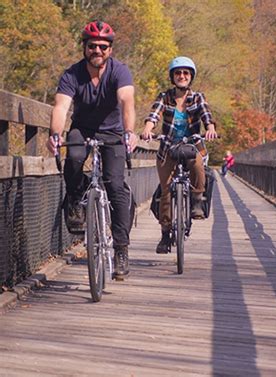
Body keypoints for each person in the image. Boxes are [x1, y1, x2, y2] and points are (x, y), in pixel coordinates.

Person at [47, 20, 137, 280]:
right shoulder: (72, 74)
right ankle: (76, 199)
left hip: (112, 132)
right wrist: (54, 134)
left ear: (110, 49)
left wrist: (129, 132)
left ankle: (121, 248)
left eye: (103, 47)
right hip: (82, 129)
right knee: (73, 158)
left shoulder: (120, 72)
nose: (97, 51)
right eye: (92, 46)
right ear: (84, 47)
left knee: (115, 184)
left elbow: (126, 102)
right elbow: (61, 107)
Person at [141, 56, 218, 254]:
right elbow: (154, 115)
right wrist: (148, 129)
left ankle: (197, 200)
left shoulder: (198, 97)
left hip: (193, 144)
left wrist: (209, 128)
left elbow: (206, 114)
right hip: (168, 147)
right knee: (166, 191)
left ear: (191, 76)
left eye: (185, 73)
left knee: (198, 164)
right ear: (172, 77)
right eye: (178, 73)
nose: (182, 76)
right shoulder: (164, 97)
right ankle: (165, 234)